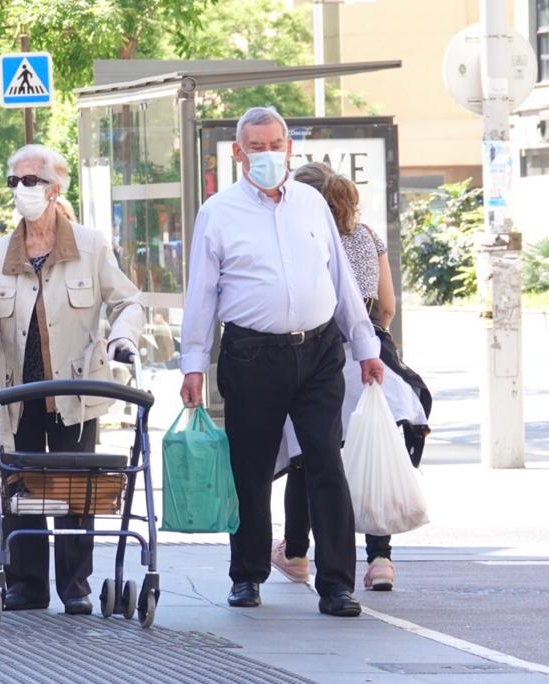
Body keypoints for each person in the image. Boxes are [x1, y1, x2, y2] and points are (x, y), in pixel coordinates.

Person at [178, 107, 385, 618]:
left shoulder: (311, 203)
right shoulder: (219, 211)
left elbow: (339, 280)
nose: (267, 154)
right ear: (238, 153)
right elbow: (201, 293)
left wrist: (366, 348)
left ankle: (336, 584)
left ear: (289, 148)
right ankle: (246, 576)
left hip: (317, 352)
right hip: (251, 354)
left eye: (275, 144)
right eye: (256, 146)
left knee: (325, 464)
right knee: (250, 470)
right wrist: (193, 363)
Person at [0, 144, 143, 615]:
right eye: (15, 182)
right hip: (17, 392)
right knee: (21, 488)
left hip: (77, 392)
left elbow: (127, 302)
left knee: (73, 487)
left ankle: (75, 586)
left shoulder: (90, 245)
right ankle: (27, 585)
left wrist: (123, 338)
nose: (22, 190)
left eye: (32, 181)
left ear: (54, 187)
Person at [271, 162, 432, 592]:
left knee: (309, 459)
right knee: (375, 450)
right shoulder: (367, 236)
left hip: (320, 355)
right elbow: (387, 306)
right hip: (371, 357)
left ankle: (297, 553)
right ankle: (380, 559)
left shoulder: (304, 237)